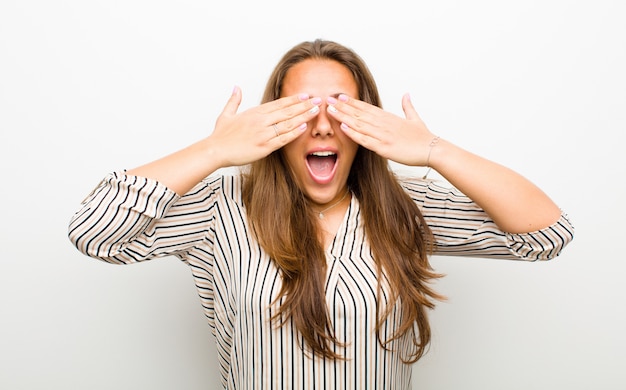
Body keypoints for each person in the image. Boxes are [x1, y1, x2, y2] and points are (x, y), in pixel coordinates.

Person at [68, 39, 574, 389]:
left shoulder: (404, 208)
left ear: (369, 123)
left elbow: (547, 233)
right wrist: (214, 150)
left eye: (342, 107)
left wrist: (434, 150)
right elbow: (95, 233)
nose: (323, 126)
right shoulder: (220, 208)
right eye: (301, 109)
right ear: (272, 122)